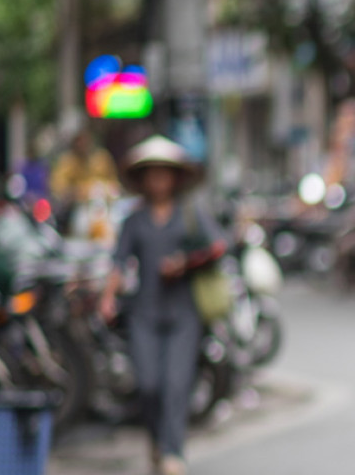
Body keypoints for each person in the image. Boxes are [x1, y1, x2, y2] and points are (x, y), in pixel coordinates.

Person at [99, 135, 225, 475]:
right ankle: (156, 441)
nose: (158, 180)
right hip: (145, 312)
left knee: (177, 384)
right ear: (142, 180)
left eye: (164, 173)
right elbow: (118, 262)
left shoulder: (190, 213)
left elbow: (218, 246)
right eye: (151, 174)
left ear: (175, 177)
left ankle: (173, 452)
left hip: (185, 312)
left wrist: (185, 262)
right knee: (149, 384)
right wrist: (108, 298)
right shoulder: (134, 220)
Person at [50, 130, 119, 206]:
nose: (82, 144)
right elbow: (58, 186)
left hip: (104, 203)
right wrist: (76, 191)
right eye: (79, 141)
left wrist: (105, 188)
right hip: (77, 205)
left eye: (84, 140)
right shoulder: (67, 161)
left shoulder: (102, 157)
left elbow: (113, 181)